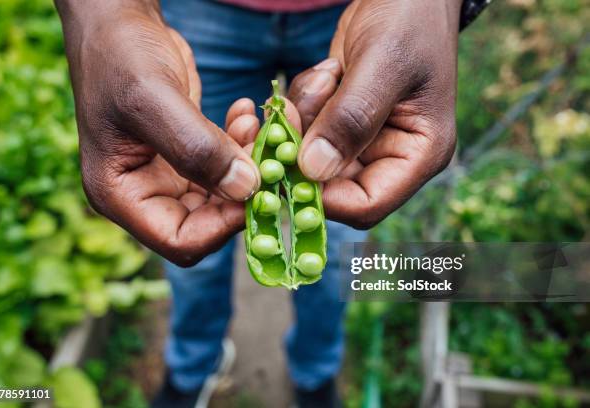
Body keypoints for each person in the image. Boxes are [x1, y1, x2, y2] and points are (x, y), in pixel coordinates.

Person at [54, 0, 490, 406]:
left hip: (356, 11)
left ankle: (315, 373)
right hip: (201, 11)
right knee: (191, 210)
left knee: (335, 244)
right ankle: (192, 369)